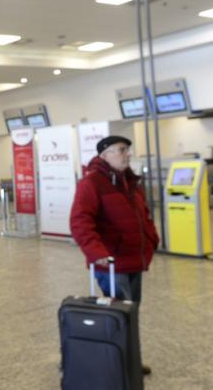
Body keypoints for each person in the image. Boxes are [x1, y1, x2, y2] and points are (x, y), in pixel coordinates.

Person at [69, 135, 158, 375]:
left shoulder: (131, 182)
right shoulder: (92, 183)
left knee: (130, 313)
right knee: (119, 315)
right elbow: (80, 221)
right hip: (110, 264)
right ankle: (119, 363)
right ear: (104, 155)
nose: (127, 154)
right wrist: (96, 252)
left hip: (134, 259)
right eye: (121, 150)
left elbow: (143, 215)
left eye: (127, 150)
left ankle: (130, 360)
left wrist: (151, 239)